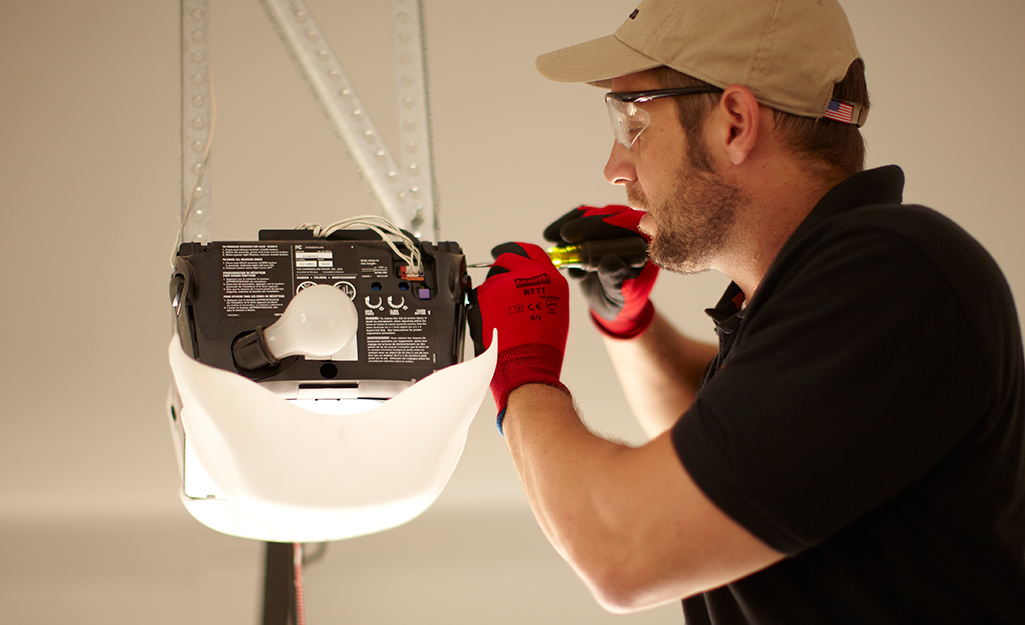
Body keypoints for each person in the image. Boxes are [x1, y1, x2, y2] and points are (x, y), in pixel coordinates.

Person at [467, 0, 1025, 622]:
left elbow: (625, 549)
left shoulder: (896, 268)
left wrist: (522, 368)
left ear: (734, 122)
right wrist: (628, 325)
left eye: (634, 123)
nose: (614, 168)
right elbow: (718, 453)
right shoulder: (816, 299)